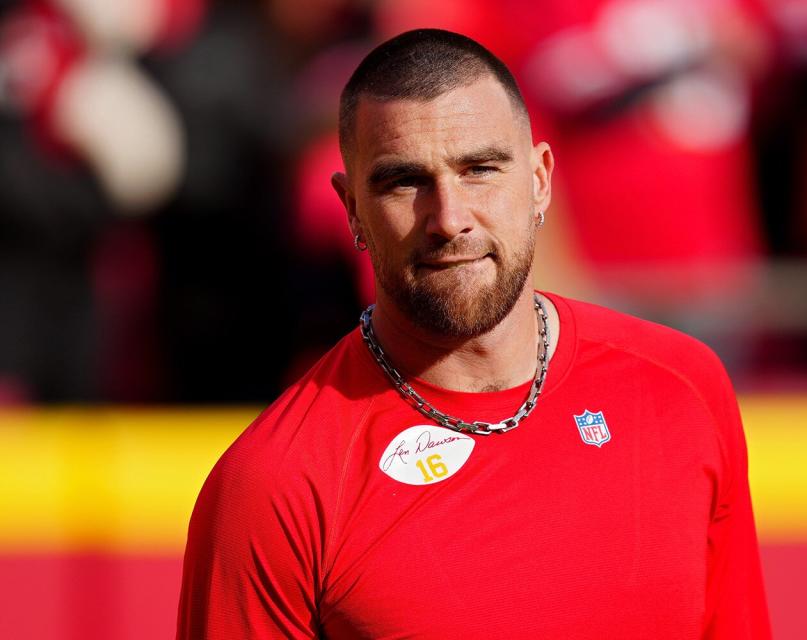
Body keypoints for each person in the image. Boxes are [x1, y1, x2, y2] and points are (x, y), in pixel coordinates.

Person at [177, 28, 771, 639]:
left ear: (540, 180)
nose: (450, 219)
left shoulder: (681, 388)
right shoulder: (275, 484)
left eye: (479, 169)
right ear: (351, 206)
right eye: (405, 181)